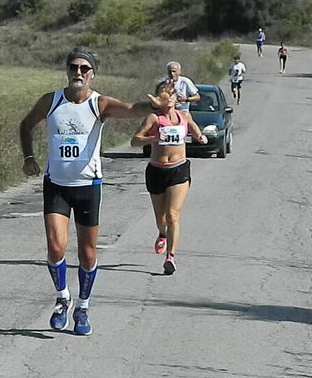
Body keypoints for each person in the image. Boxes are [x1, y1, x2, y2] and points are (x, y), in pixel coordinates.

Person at [19, 46, 162, 336]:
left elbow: (132, 110)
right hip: (56, 185)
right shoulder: (51, 101)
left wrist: (154, 107)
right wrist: (29, 158)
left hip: (88, 186)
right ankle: (63, 299)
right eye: (74, 67)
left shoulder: (100, 104)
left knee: (87, 253)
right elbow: (26, 124)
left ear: (93, 75)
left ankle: (83, 306)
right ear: (67, 70)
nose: (79, 73)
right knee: (55, 247)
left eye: (85, 69)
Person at [130, 83, 207, 275]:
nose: (171, 98)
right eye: (166, 96)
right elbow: (134, 140)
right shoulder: (154, 118)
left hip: (179, 170)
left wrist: (201, 138)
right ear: (159, 100)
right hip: (157, 170)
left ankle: (170, 257)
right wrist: (152, 139)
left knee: (173, 215)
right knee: (161, 218)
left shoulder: (184, 117)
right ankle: (162, 233)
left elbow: (198, 133)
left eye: (173, 95)